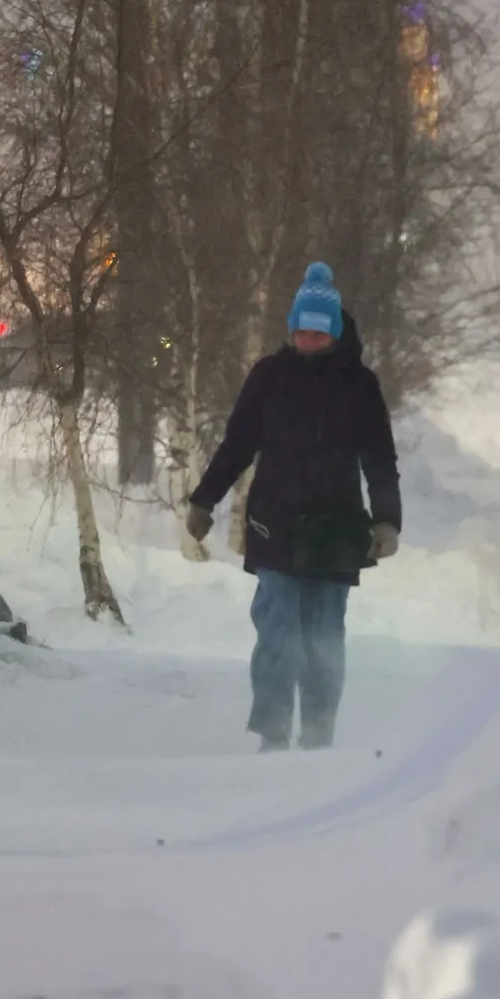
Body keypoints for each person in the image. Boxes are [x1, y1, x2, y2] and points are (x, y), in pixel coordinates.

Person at [184, 262, 402, 753]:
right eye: (300, 331)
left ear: (334, 333)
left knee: (323, 637)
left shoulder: (359, 386)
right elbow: (237, 445)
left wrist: (387, 519)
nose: (306, 340)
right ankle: (274, 734)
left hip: (337, 531)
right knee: (278, 632)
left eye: (317, 334)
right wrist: (204, 500)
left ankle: (319, 734)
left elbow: (380, 461)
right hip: (275, 525)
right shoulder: (269, 377)